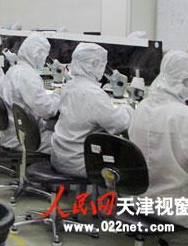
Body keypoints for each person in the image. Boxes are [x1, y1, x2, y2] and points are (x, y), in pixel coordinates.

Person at [129, 51, 188, 245]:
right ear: (186, 81)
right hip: (175, 207)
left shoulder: (142, 107)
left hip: (139, 200)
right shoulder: (184, 116)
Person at [51, 43, 133, 177]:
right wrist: (129, 108)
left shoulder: (70, 85)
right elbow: (118, 124)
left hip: (60, 156)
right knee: (129, 163)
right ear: (94, 64)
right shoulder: (93, 93)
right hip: (79, 161)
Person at [0, 33, 60, 153]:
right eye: (44, 56)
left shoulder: (14, 70)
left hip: (12, 133)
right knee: (67, 145)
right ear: (37, 54)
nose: (44, 60)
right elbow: (47, 111)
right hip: (26, 138)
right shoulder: (28, 76)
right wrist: (58, 95)